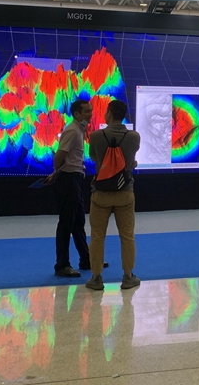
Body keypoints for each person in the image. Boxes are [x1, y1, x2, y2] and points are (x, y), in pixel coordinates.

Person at [85, 100, 141, 291]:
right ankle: (128, 276)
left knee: (97, 236)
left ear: (109, 113)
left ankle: (96, 277)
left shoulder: (96, 135)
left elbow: (94, 157)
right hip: (125, 192)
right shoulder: (134, 136)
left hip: (100, 193)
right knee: (127, 236)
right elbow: (129, 160)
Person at [46, 99, 93, 277]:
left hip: (74, 179)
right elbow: (59, 156)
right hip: (69, 180)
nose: (90, 114)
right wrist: (58, 171)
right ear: (77, 114)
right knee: (66, 223)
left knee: (78, 222)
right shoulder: (73, 130)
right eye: (87, 111)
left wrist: (56, 173)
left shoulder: (79, 129)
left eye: (91, 111)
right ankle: (62, 265)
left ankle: (86, 259)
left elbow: (66, 158)